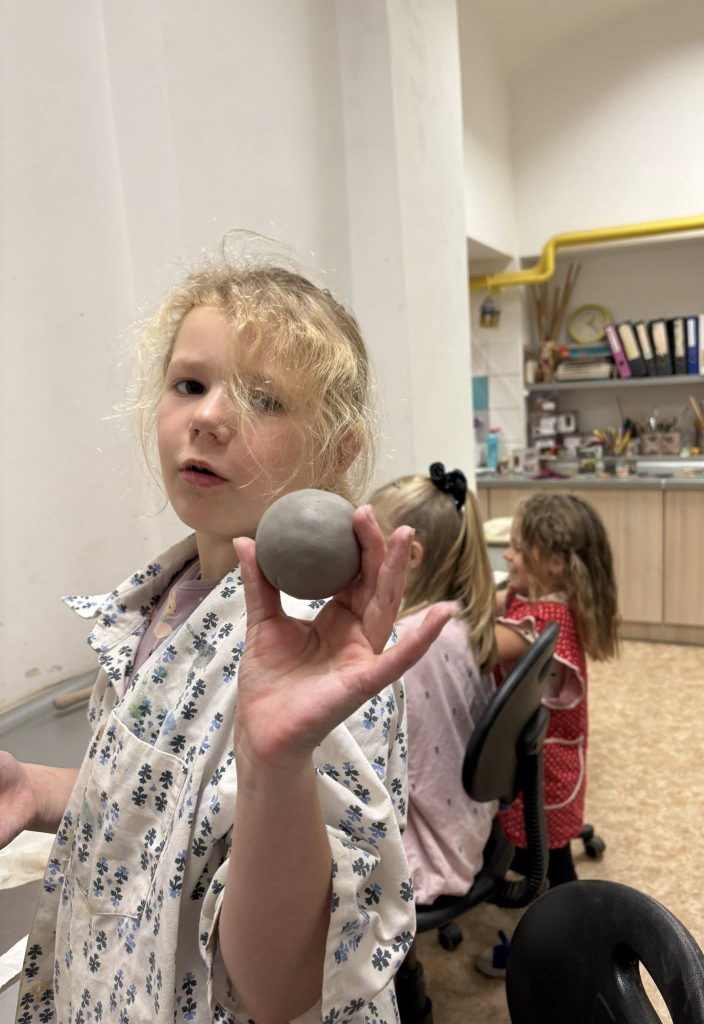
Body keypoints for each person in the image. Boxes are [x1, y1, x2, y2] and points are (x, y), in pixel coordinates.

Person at [4, 258, 453, 1024]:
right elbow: (166, 806)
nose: (209, 416)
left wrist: (276, 766)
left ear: (339, 451)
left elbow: (284, 988)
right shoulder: (167, 598)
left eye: (264, 399)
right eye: (189, 384)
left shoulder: (323, 657)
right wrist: (35, 791)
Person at [476, 492, 620, 978]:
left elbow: (479, 645)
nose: (507, 554)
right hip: (545, 757)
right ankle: (570, 935)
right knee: (546, 856)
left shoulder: (542, 622)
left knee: (551, 864)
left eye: (518, 547)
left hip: (546, 770)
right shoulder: (541, 599)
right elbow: (495, 604)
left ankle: (567, 951)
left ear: (555, 562)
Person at [369, 464, 498, 908]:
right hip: (466, 826)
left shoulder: (408, 643)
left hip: (433, 850)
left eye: (368, 539)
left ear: (410, 555)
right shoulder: (455, 614)